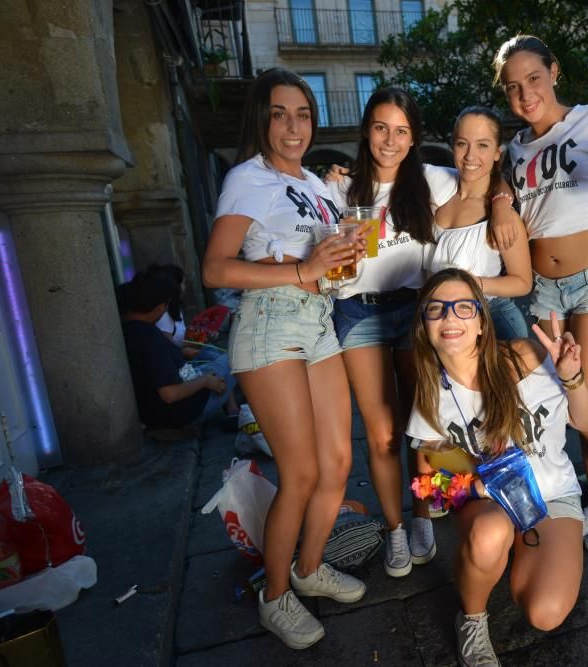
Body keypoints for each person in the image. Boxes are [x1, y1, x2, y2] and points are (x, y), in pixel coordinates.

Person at [202, 68, 366, 650]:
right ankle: (275, 596)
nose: (293, 126)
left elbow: (328, 255)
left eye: (302, 114)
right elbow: (215, 268)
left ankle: (308, 567)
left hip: (318, 322)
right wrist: (301, 269)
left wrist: (347, 245)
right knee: (298, 472)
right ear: (261, 119)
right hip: (270, 324)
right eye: (279, 113)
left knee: (339, 462)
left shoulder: (317, 188)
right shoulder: (247, 179)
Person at [490, 35, 588, 555]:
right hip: (545, 292)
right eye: (513, 87)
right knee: (567, 402)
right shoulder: (515, 149)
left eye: (533, 79)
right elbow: (506, 198)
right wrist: (498, 196)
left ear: (554, 72)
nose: (525, 94)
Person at [405, 269, 588, 667]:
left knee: (545, 614)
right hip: (489, 505)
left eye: (463, 307)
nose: (450, 317)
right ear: (424, 325)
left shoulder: (527, 355)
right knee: (490, 532)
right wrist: (478, 488)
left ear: (480, 322)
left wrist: (572, 378)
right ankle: (473, 616)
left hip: (553, 494)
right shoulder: (431, 393)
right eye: (436, 309)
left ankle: (505, 555)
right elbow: (427, 484)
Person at [324, 87, 458, 578]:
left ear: (413, 137)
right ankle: (396, 526)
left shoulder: (431, 181)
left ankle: (423, 514)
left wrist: (504, 202)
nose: (390, 140)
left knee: (422, 427)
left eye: (402, 131)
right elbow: (319, 256)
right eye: (381, 127)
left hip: (414, 308)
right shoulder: (339, 189)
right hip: (358, 313)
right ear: (366, 130)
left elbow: (486, 178)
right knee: (382, 435)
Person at [429, 106, 532, 341]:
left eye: (483, 145)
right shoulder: (438, 197)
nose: (470, 156)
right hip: (442, 322)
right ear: (452, 146)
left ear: (498, 152)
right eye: (462, 143)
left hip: (493, 320)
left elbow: (523, 282)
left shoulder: (502, 215)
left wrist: (472, 284)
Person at [121, 269, 237, 431]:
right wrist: (205, 380)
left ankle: (234, 409)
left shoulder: (130, 329)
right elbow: (170, 394)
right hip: (183, 413)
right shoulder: (148, 337)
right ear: (161, 306)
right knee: (236, 356)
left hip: (169, 406)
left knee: (214, 356)